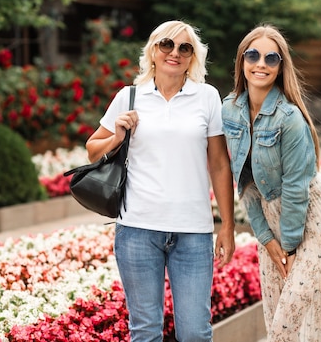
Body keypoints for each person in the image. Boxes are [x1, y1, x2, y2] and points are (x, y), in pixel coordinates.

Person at [85, 20, 235, 342]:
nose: (175, 53)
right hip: (137, 229)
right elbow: (92, 150)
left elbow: (220, 164)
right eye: (167, 45)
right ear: (153, 50)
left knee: (195, 333)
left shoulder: (207, 97)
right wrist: (119, 135)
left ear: (193, 56)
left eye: (184, 48)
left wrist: (227, 226)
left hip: (193, 232)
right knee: (145, 332)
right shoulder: (129, 97)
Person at [221, 24, 321, 341]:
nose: (261, 63)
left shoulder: (289, 117)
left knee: (297, 316)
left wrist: (289, 245)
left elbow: (296, 187)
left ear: (281, 67)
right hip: (271, 218)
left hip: (312, 218)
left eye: (271, 58)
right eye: (252, 55)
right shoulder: (228, 111)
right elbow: (245, 185)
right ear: (241, 61)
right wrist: (267, 239)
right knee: (277, 311)